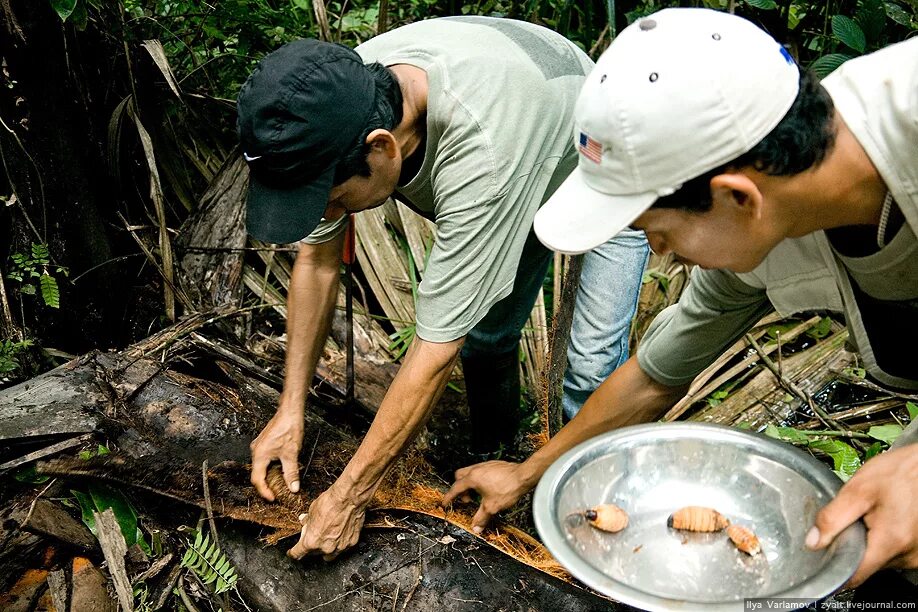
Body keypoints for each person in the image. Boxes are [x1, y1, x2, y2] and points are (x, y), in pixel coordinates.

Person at [445, 7, 918, 588]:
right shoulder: (763, 224)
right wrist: (528, 473)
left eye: (655, 233)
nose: (661, 255)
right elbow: (653, 377)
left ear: (736, 198)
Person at [236, 16, 648, 560]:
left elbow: (434, 351)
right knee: (488, 338)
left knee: (591, 370)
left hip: (607, 162)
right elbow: (316, 260)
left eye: (332, 200)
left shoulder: (484, 156)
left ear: (382, 150)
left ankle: (583, 528)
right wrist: (291, 409)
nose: (328, 214)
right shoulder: (334, 105)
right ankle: (492, 455)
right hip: (528, 141)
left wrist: (348, 498)